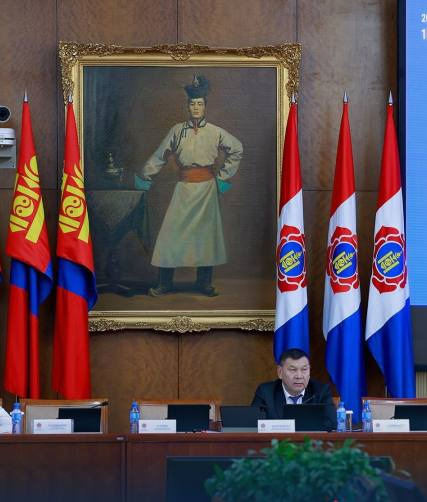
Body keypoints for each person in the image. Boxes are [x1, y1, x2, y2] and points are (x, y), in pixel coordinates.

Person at [140, 75, 243, 297]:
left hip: (207, 190)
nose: (196, 107)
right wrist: (145, 176)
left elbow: (237, 149)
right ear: (188, 106)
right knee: (170, 235)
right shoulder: (177, 130)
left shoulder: (215, 131)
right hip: (184, 189)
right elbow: (160, 155)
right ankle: (165, 283)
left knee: (206, 237)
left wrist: (223, 178)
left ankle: (204, 283)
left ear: (205, 106)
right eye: (192, 104)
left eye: (200, 104)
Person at [251, 348, 337, 430]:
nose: (299, 376)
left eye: (304, 369)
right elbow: (253, 424)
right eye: (293, 370)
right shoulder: (266, 392)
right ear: (280, 372)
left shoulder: (320, 391)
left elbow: (332, 424)